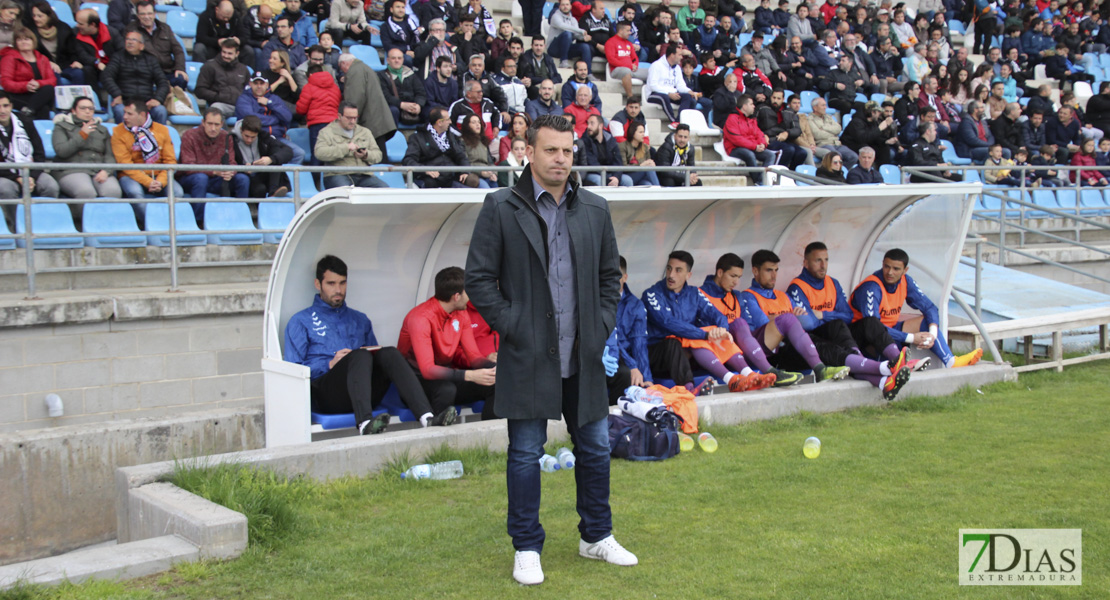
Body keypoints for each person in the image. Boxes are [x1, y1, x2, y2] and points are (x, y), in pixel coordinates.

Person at [464, 113, 636, 586]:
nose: (561, 159)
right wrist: (513, 324)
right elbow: (478, 279)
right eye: (551, 150)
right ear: (530, 152)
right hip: (528, 354)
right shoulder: (500, 206)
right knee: (524, 453)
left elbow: (608, 280)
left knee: (597, 448)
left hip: (582, 352)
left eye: (567, 150)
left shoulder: (595, 209)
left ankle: (596, 536)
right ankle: (526, 547)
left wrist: (601, 326)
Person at [285, 255, 442, 436]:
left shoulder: (360, 319)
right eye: (331, 283)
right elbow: (293, 371)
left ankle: (427, 417)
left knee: (388, 352)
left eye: (343, 283)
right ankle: (365, 424)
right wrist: (329, 364)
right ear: (318, 284)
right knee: (358, 356)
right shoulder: (300, 321)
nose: (338, 289)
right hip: (327, 396)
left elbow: (375, 360)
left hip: (364, 392)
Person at [786, 241, 914, 400]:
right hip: (812, 342)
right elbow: (809, 324)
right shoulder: (797, 287)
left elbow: (848, 315)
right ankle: (883, 374)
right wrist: (830, 316)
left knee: (870, 323)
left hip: (840, 334)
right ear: (805, 263)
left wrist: (823, 315)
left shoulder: (833, 283)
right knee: (836, 330)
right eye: (817, 260)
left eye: (826, 260)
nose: (823, 265)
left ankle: (897, 362)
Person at [642, 250, 776, 392]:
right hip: (659, 353)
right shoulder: (652, 294)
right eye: (669, 268)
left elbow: (717, 315)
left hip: (686, 350)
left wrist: (721, 330)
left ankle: (748, 374)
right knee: (685, 338)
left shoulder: (694, 293)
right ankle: (692, 389)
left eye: (678, 270)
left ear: (688, 275)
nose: (671, 275)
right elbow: (668, 323)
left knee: (709, 331)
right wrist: (705, 334)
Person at [850, 248, 983, 369]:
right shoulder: (871, 287)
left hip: (888, 330)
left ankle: (951, 361)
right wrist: (912, 338)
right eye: (886, 267)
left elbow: (930, 307)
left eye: (896, 269)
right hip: (862, 336)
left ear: (905, 270)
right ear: (882, 264)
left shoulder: (906, 281)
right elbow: (873, 328)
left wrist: (932, 334)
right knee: (877, 330)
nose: (890, 272)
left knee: (927, 321)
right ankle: (900, 366)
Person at [397, 266, 497, 421]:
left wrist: (495, 369)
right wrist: (470, 375)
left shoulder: (461, 313)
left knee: (497, 381)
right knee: (446, 390)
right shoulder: (420, 318)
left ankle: (490, 437)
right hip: (416, 383)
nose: (470, 298)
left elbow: (474, 357)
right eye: (468, 293)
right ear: (456, 296)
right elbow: (427, 370)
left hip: (446, 377)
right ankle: (438, 438)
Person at [739, 249, 853, 384]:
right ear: (756, 271)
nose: (774, 275)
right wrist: (787, 317)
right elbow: (764, 325)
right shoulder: (748, 296)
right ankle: (855, 366)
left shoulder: (783, 295)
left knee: (832, 330)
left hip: (799, 344)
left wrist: (778, 317)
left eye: (776, 270)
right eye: (769, 270)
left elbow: (807, 321)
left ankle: (859, 362)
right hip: (778, 353)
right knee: (817, 345)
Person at [180, 109, 249, 220]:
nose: (213, 128)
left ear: (221, 124)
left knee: (242, 179)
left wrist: (230, 172)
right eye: (210, 124)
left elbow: (232, 162)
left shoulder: (226, 136)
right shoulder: (189, 136)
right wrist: (213, 171)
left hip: (217, 178)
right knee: (201, 178)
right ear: (203, 122)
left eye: (216, 124)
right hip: (191, 178)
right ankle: (198, 222)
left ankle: (240, 218)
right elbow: (188, 166)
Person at [111, 97, 184, 200]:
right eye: (124, 113)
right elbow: (125, 164)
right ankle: (149, 217)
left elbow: (170, 161)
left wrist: (160, 182)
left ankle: (167, 216)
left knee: (178, 193)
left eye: (129, 114)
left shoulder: (162, 130)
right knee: (135, 192)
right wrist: (148, 182)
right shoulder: (118, 132)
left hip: (158, 175)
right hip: (131, 176)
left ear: (142, 115)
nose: (124, 117)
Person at [52, 95, 122, 199]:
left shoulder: (102, 129)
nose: (88, 111)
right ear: (73, 110)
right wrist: (82, 135)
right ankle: (81, 215)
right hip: (71, 170)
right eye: (83, 108)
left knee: (113, 192)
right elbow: (62, 151)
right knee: (86, 192)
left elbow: (109, 154)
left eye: (91, 108)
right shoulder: (61, 127)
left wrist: (106, 171)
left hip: (97, 170)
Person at [314, 101, 389, 189]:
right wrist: (346, 148)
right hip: (337, 174)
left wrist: (366, 154)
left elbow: (378, 155)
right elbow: (320, 153)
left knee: (385, 190)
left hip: (364, 175)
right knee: (347, 194)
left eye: (355, 118)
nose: (352, 121)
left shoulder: (365, 132)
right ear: (339, 116)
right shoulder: (326, 132)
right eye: (349, 118)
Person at [0, 91, 58, 199]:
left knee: (51, 186)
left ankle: (42, 216)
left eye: (5, 106)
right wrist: (17, 178)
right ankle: (13, 216)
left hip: (30, 171)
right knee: (5, 189)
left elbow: (39, 152)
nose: (2, 111)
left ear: (11, 106)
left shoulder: (25, 121)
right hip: (4, 175)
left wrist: (31, 176)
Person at [103, 30, 168, 125]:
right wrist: (116, 94)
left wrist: (157, 99)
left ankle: (157, 139)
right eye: (128, 39)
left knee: (160, 111)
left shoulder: (151, 60)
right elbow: (107, 76)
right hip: (125, 102)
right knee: (120, 110)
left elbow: (163, 82)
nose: (129, 42)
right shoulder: (118, 57)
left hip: (146, 104)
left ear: (141, 45)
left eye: (133, 40)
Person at [403, 106, 477, 188]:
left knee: (472, 181)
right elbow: (408, 160)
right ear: (439, 122)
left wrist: (465, 171)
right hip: (429, 180)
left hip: (451, 178)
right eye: (448, 119)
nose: (450, 122)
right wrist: (425, 170)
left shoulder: (452, 137)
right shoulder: (418, 138)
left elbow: (461, 156)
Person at [339, 52, 398, 148]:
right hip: (378, 119)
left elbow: (355, 98)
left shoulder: (354, 71)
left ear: (344, 63)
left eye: (341, 68)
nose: (343, 72)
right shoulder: (366, 68)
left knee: (376, 156)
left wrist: (352, 119)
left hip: (370, 122)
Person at [126, 1, 187, 89]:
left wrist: (180, 68)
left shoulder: (165, 28)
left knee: (181, 79)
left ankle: (174, 102)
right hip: (146, 73)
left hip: (167, 71)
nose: (147, 17)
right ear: (138, 16)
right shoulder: (131, 30)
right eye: (143, 14)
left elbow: (178, 50)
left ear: (154, 14)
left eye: (149, 13)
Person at [231, 114, 292, 198]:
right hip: (245, 177)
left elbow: (288, 151)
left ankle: (273, 191)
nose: (249, 140)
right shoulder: (231, 139)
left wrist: (270, 159)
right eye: (247, 136)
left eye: (253, 137)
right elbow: (228, 161)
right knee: (260, 189)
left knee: (275, 152)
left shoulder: (263, 136)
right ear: (241, 130)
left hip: (262, 173)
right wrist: (242, 168)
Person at [0, 28, 55, 119]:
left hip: (37, 94)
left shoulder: (42, 58)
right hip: (16, 95)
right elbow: (6, 83)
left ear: (33, 41)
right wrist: (26, 86)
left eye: (26, 39)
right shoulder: (9, 57)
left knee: (49, 88)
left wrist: (38, 84)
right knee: (43, 109)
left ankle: (27, 111)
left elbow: (52, 80)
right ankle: (29, 115)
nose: (23, 42)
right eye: (19, 40)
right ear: (15, 43)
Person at [28, 1, 83, 85]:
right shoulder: (31, 31)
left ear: (49, 16)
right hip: (45, 66)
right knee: (53, 76)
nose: (36, 18)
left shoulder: (63, 28)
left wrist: (75, 61)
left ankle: (80, 98)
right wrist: (48, 63)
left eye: (40, 16)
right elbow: (32, 54)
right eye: (34, 15)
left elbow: (72, 50)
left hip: (64, 64)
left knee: (78, 73)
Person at [722, 94, 773, 184]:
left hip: (752, 147)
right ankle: (759, 182)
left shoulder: (751, 119)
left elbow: (759, 134)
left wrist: (762, 144)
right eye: (751, 104)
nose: (754, 106)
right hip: (735, 148)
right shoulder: (732, 119)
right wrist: (754, 146)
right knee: (749, 154)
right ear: (744, 106)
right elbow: (737, 139)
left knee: (770, 155)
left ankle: (763, 180)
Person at [644, 44, 693, 128]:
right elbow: (653, 85)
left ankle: (678, 121)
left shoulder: (677, 68)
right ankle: (673, 121)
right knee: (664, 97)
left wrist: (689, 91)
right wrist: (668, 93)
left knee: (688, 97)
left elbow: (680, 85)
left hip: (671, 93)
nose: (682, 57)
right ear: (672, 55)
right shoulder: (656, 65)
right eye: (679, 55)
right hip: (654, 94)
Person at [576, 113, 630, 187]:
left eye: (592, 123)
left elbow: (618, 162)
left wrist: (616, 177)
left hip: (609, 174)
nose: (588, 126)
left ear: (600, 126)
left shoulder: (611, 140)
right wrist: (608, 178)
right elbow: (593, 164)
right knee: (599, 180)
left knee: (627, 180)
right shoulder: (585, 141)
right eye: (588, 123)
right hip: (593, 173)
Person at [378, 47, 426, 128]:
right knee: (393, 111)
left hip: (411, 107)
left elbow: (421, 92)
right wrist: (401, 104)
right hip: (395, 107)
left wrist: (418, 105)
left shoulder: (411, 73)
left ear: (403, 60)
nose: (397, 60)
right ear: (388, 60)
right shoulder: (381, 75)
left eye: (399, 58)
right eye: (393, 58)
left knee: (430, 111)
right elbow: (385, 96)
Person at [196, 0, 252, 66]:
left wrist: (239, 40)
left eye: (228, 18)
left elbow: (244, 36)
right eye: (224, 17)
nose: (226, 20)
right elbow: (200, 37)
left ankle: (245, 73)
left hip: (231, 48)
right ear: (217, 10)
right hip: (212, 47)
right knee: (199, 48)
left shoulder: (235, 17)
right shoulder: (205, 16)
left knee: (248, 50)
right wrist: (217, 42)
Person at [72, 8, 113, 88]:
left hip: (109, 65)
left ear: (92, 25)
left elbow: (119, 52)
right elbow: (82, 55)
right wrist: (96, 63)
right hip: (92, 65)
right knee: (88, 70)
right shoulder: (76, 33)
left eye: (81, 24)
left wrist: (111, 66)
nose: (77, 26)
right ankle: (94, 98)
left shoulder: (111, 33)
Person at [607, 21, 648, 98]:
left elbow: (635, 58)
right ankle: (630, 97)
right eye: (628, 30)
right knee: (626, 71)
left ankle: (650, 96)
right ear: (620, 31)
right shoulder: (610, 42)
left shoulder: (629, 43)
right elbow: (611, 60)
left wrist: (635, 65)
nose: (630, 32)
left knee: (651, 72)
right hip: (617, 70)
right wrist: (629, 65)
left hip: (631, 69)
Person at [459, 113, 497, 188]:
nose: (477, 125)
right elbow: (465, 162)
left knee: (496, 189)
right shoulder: (462, 141)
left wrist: (494, 173)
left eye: (479, 122)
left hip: (487, 174)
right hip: (474, 175)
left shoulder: (483, 141)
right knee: (485, 188)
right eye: (473, 122)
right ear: (467, 125)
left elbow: (490, 161)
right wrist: (481, 172)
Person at [519, 35, 561, 100]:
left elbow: (558, 76)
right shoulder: (525, 58)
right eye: (536, 45)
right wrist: (545, 81)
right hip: (536, 85)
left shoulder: (548, 58)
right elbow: (529, 77)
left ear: (544, 46)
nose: (538, 48)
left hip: (550, 83)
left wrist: (550, 82)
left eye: (541, 45)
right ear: (531, 46)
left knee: (561, 88)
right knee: (549, 89)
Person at [617, 120, 658, 186]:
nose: (643, 134)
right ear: (633, 133)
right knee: (647, 168)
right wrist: (641, 166)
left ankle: (656, 189)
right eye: (640, 132)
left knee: (648, 184)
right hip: (628, 175)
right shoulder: (622, 146)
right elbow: (623, 167)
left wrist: (652, 164)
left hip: (641, 176)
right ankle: (658, 190)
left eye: (643, 132)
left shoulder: (645, 147)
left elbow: (648, 163)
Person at [380, 0, 418, 66]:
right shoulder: (385, 26)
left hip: (413, 51)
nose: (401, 10)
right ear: (391, 9)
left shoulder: (410, 22)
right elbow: (388, 45)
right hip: (398, 54)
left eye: (403, 7)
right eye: (398, 7)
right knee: (407, 59)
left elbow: (416, 39)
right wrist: (405, 51)